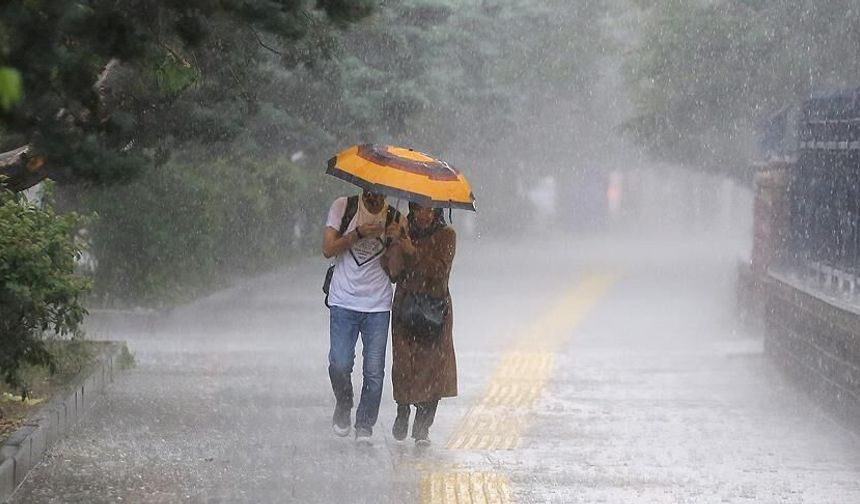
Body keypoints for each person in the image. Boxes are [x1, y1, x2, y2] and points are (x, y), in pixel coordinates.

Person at [322, 190, 401, 443]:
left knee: (374, 370)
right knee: (340, 363)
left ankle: (365, 424)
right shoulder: (343, 206)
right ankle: (344, 403)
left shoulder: (395, 217)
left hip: (377, 304)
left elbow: (397, 272)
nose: (376, 198)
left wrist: (394, 242)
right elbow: (327, 249)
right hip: (343, 301)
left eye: (381, 193)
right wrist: (357, 234)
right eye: (371, 192)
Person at [383, 202, 457, 446]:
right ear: (412, 209)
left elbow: (438, 270)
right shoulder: (402, 228)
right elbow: (392, 272)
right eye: (419, 209)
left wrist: (411, 249)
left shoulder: (447, 235)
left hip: (435, 308)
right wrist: (393, 243)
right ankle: (403, 409)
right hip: (406, 306)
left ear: (437, 212)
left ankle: (423, 427)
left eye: (430, 210)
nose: (424, 215)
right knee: (404, 362)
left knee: (433, 369)